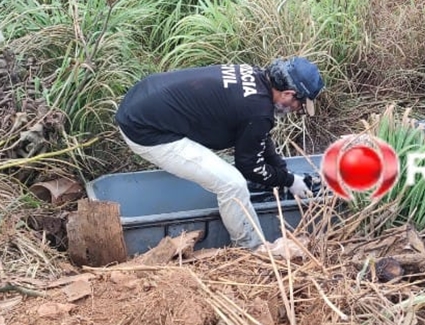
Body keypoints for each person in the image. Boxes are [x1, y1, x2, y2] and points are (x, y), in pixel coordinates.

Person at [116, 57, 325, 249]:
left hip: (142, 97)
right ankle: (251, 249)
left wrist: (282, 172)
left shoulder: (255, 77)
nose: (297, 110)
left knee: (220, 171)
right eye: (300, 104)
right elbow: (249, 165)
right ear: (288, 94)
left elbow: (257, 136)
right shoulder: (258, 110)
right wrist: (288, 180)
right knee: (232, 184)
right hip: (145, 129)